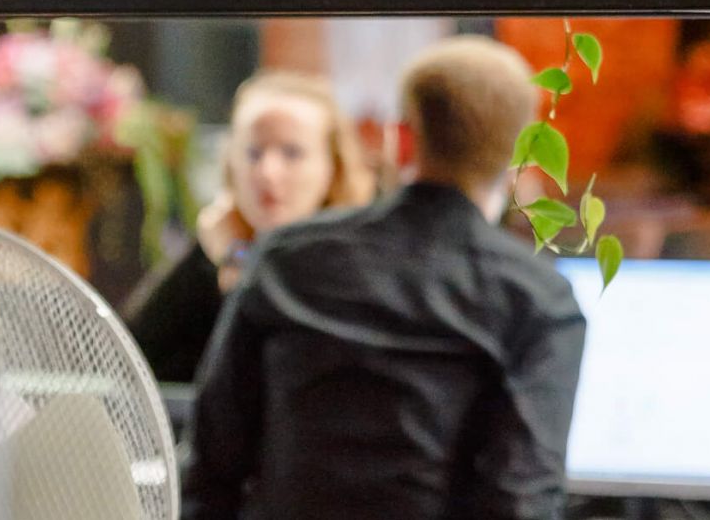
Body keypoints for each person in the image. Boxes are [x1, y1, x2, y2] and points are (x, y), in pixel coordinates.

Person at [182, 35, 587, 520]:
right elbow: (520, 499)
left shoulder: (287, 260)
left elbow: (212, 464)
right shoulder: (538, 300)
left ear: (402, 138)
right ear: (520, 153)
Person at [127, 71, 374, 383]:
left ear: (333, 166)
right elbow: (128, 356)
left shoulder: (358, 261)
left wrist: (234, 257)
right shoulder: (217, 238)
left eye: (292, 152)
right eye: (253, 153)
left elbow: (284, 353)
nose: (268, 173)